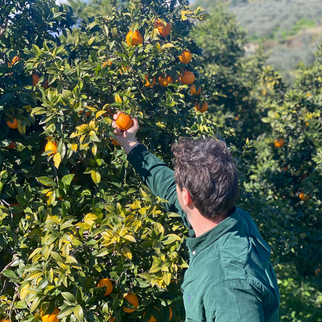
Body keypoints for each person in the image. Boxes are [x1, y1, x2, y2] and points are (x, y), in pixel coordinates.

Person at [112, 113, 280, 322]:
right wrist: (130, 143)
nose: (174, 186)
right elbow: (164, 184)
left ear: (187, 196)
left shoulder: (230, 287)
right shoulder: (228, 217)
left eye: (178, 183)